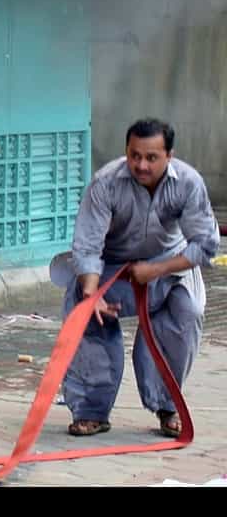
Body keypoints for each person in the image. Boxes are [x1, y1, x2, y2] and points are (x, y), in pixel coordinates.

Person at [52, 118, 220, 438]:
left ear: (169, 155)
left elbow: (206, 246)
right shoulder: (105, 183)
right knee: (85, 312)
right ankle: (91, 411)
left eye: (151, 157)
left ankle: (167, 404)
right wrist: (91, 294)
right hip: (113, 266)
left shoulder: (188, 183)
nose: (141, 165)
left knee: (188, 311)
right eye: (135, 156)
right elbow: (87, 246)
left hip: (170, 263)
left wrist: (156, 270)